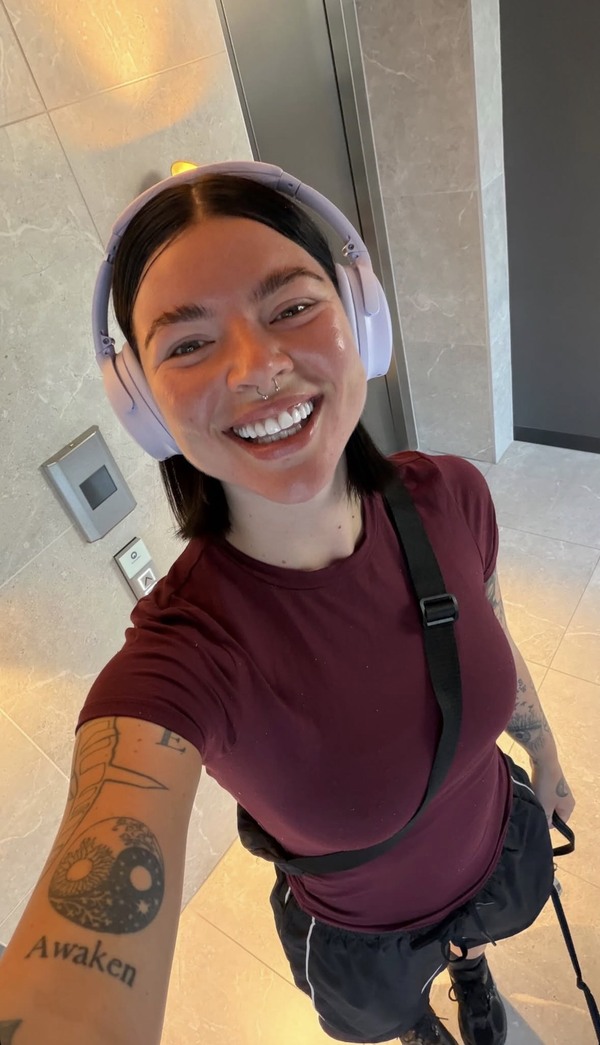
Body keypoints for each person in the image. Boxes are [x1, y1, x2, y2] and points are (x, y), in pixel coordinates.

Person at [0, 162, 575, 1045]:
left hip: (492, 849)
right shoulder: (179, 657)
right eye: (188, 344)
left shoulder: (450, 496)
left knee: (472, 941)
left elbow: (491, 629)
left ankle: (468, 962)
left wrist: (546, 753)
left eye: (293, 306)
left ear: (360, 321)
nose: (259, 367)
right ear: (141, 402)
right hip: (362, 941)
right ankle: (417, 1020)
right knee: (397, 1009)